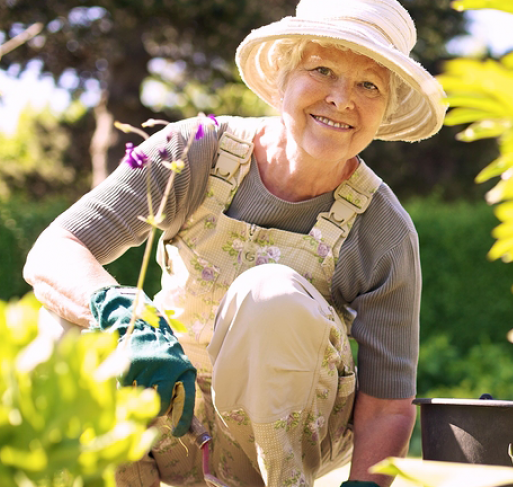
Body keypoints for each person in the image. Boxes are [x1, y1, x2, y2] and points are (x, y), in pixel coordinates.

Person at [23, 0, 445, 485]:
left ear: (386, 108)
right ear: (284, 76)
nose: (342, 98)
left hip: (279, 451)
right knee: (61, 328)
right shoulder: (194, 151)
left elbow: (388, 406)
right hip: (165, 414)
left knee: (271, 294)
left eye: (368, 85)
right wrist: (124, 315)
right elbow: (56, 249)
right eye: (322, 69)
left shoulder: (382, 229)